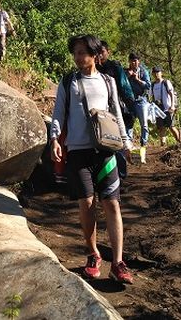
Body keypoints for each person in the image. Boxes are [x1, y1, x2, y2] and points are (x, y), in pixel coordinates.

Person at [50, 34, 134, 284]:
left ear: (95, 55)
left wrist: (126, 143)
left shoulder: (108, 82)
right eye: (75, 53)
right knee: (87, 202)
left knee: (112, 204)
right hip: (77, 150)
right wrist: (54, 138)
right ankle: (93, 254)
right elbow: (58, 112)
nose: (77, 57)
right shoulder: (68, 82)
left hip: (106, 151)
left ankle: (118, 262)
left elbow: (117, 114)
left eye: (82, 52)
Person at [97, 41, 137, 176]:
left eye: (102, 51)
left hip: (116, 109)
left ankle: (120, 175)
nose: (100, 55)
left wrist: (131, 107)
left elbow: (125, 88)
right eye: (97, 52)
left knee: (117, 142)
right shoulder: (92, 68)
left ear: (108, 51)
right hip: (99, 112)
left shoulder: (114, 67)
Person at [126, 53, 151, 162]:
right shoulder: (126, 72)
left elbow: (148, 85)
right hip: (129, 101)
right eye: (132, 61)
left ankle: (143, 145)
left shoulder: (143, 71)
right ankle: (130, 148)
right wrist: (127, 76)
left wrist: (137, 79)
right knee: (129, 125)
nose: (134, 63)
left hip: (141, 101)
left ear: (138, 62)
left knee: (144, 124)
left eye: (136, 61)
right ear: (129, 61)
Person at [150, 66, 181, 145]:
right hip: (158, 109)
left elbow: (171, 94)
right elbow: (151, 96)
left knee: (171, 126)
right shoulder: (152, 85)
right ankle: (162, 144)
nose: (156, 74)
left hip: (168, 108)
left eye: (158, 72)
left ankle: (180, 142)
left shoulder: (166, 82)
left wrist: (172, 106)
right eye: (154, 73)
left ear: (161, 73)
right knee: (161, 127)